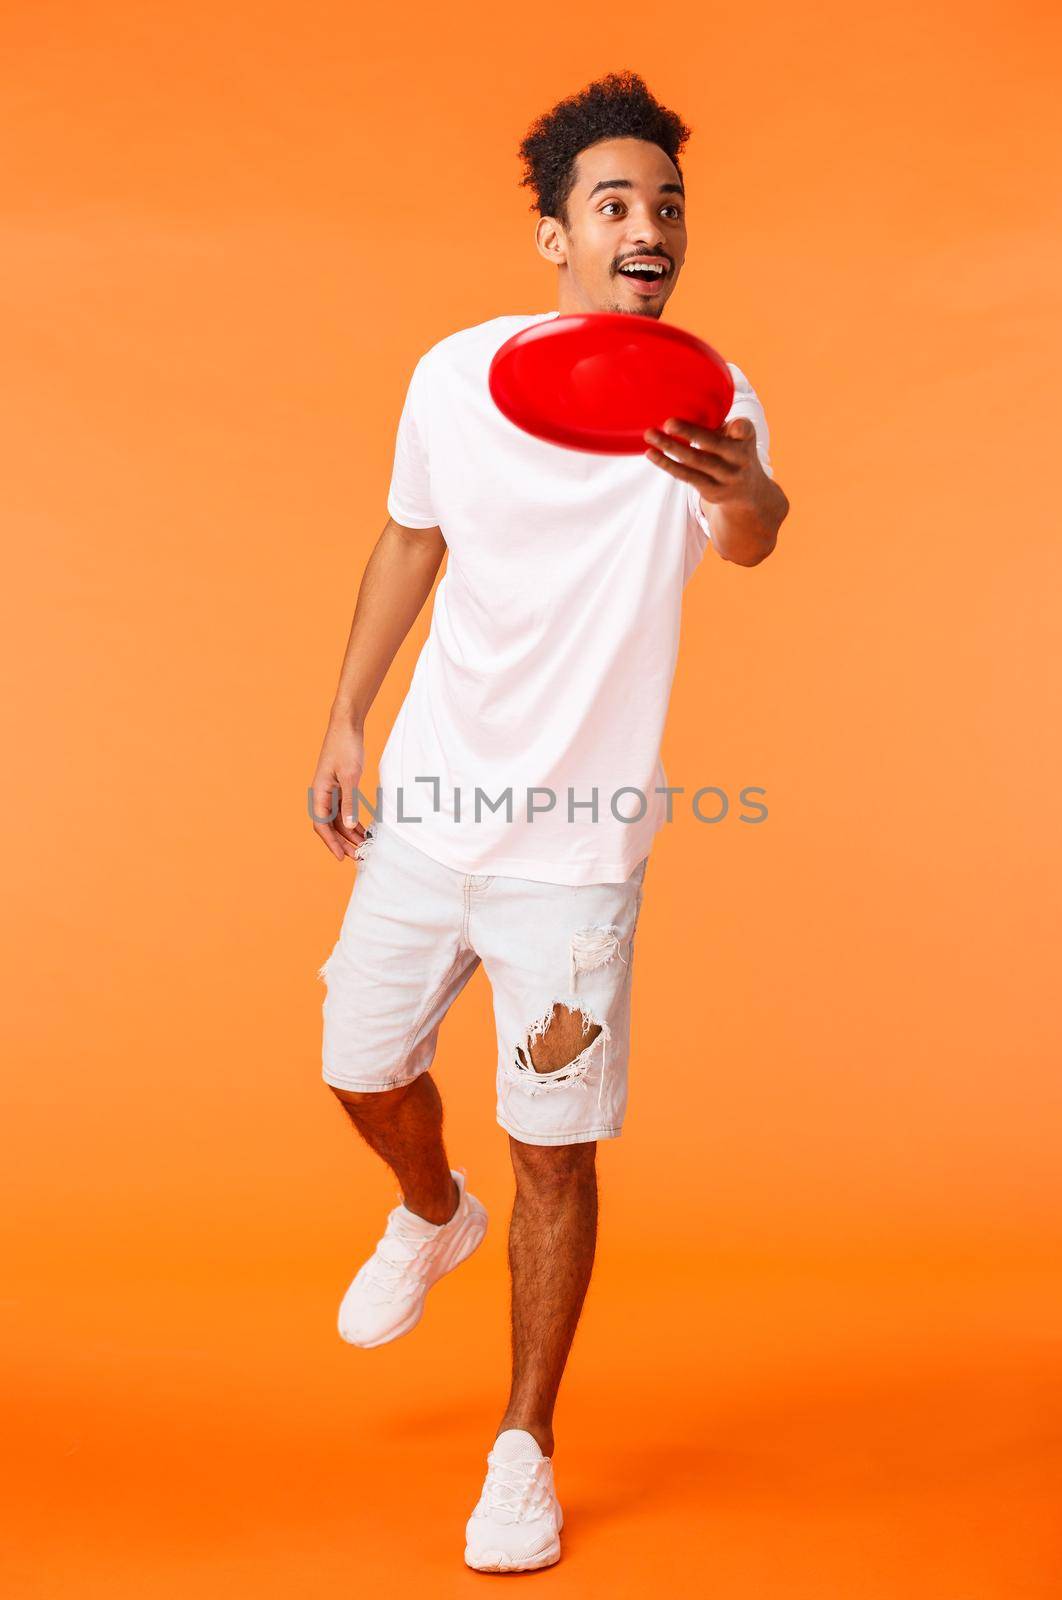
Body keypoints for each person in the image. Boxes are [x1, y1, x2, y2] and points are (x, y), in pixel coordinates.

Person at [310, 69, 789, 1573]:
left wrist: (748, 484)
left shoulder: (711, 397)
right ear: (554, 236)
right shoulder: (456, 376)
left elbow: (752, 539)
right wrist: (346, 715)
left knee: (559, 1150)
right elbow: (410, 537)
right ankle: (429, 1209)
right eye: (617, 203)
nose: (649, 225)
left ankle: (523, 1446)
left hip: (575, 857)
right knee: (356, 1062)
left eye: (670, 206)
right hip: (434, 812)